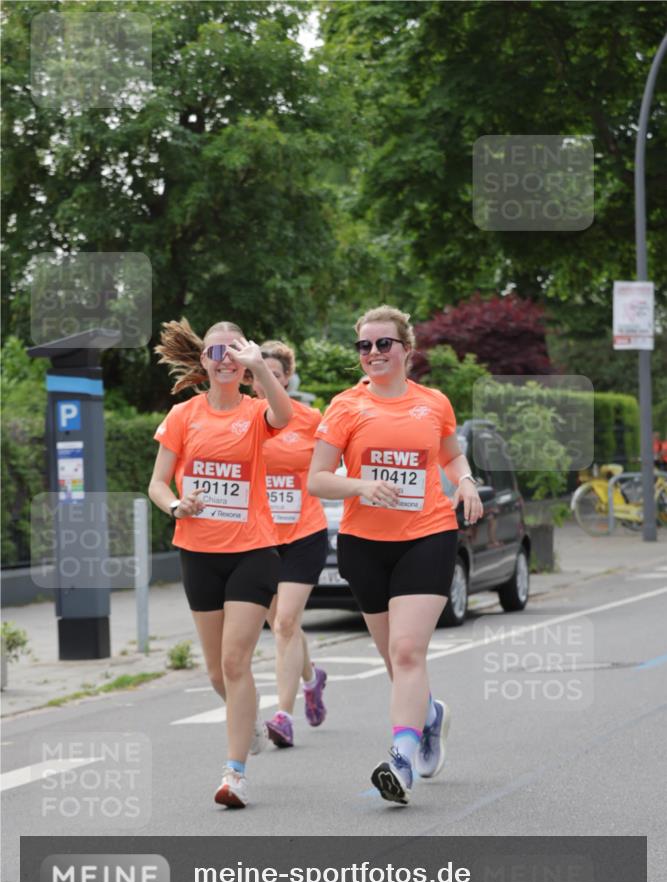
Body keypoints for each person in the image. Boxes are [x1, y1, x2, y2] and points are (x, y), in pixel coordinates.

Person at [308, 305, 483, 805]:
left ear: (406, 348)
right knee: (393, 658)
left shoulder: (434, 403)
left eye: (383, 343)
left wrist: (465, 481)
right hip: (364, 544)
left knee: (407, 652)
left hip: (427, 534)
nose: (373, 353)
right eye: (364, 345)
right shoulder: (345, 406)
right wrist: (361, 486)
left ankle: (401, 761)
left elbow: (451, 455)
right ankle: (429, 716)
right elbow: (317, 479)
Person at [148, 318, 292, 808]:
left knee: (235, 661)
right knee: (216, 673)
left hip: (252, 551)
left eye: (234, 351)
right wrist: (176, 505)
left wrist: (261, 369)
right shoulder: (183, 415)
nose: (225, 359)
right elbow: (158, 483)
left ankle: (235, 774)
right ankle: (250, 722)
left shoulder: (255, 411)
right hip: (199, 553)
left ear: (245, 358)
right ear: (204, 361)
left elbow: (284, 414)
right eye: (216, 352)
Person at [252, 340, 328, 748]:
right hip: (260, 538)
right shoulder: (243, 419)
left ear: (286, 379)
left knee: (284, 623)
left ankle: (283, 716)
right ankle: (312, 679)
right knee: (283, 624)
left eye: (274, 375)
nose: (265, 381)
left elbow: (330, 468)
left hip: (303, 533)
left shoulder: (310, 419)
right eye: (258, 374)